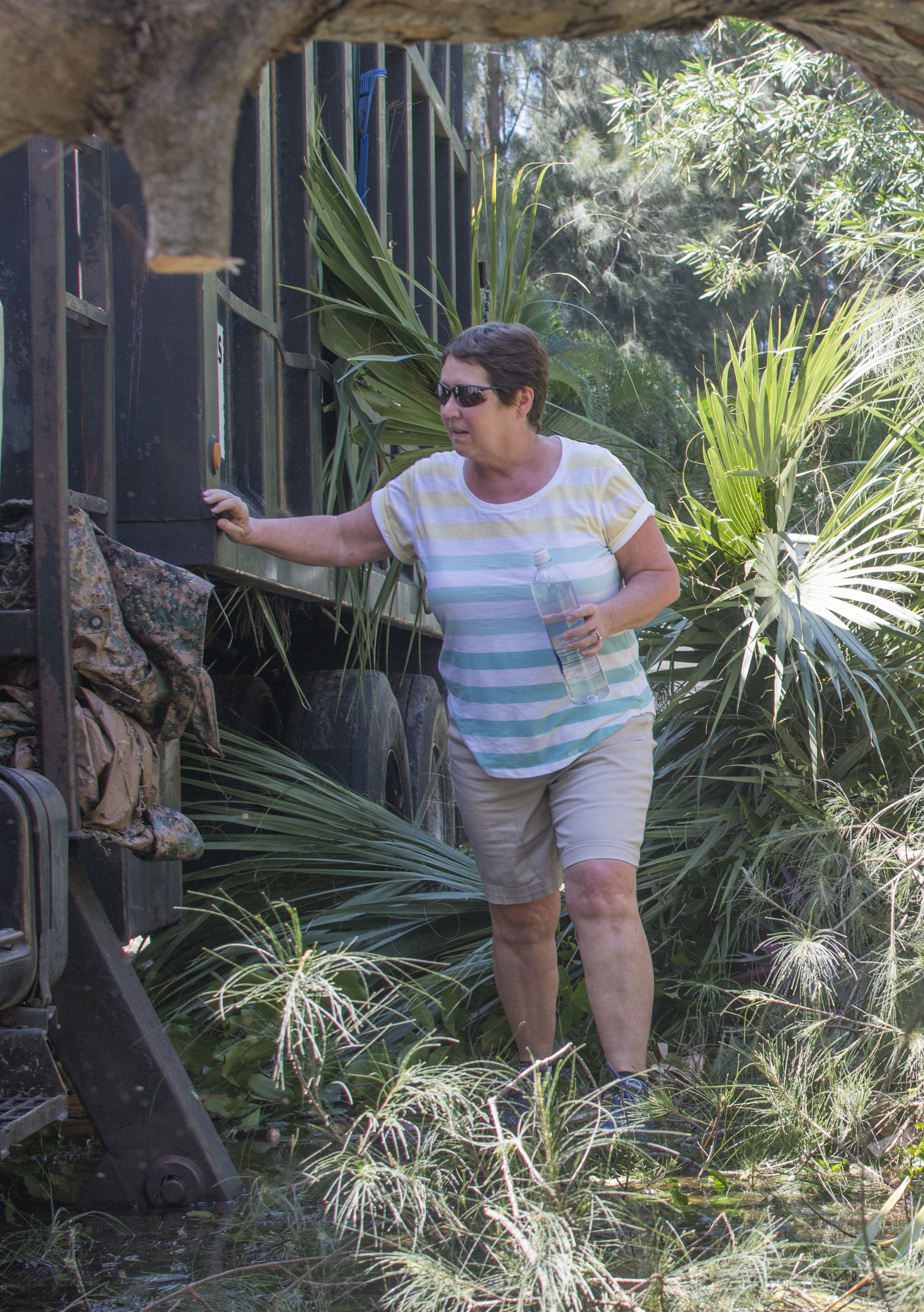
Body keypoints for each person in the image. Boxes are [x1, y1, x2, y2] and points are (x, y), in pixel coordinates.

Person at [203, 322, 680, 1109]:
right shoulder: (428, 487)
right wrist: (254, 529)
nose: (450, 410)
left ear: (521, 400)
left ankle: (629, 1088)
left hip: (599, 725)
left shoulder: (591, 475)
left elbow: (658, 576)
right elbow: (345, 536)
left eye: (469, 395)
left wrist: (610, 615)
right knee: (523, 918)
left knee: (599, 890)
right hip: (488, 736)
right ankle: (539, 1083)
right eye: (444, 394)